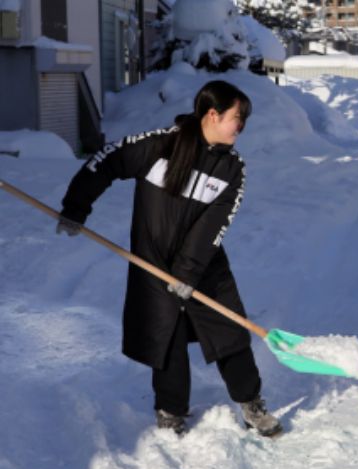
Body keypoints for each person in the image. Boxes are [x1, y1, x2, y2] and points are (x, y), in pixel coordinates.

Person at [57, 80, 281, 437]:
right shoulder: (162, 145)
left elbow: (213, 225)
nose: (241, 127)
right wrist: (76, 207)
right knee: (166, 336)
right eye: (238, 118)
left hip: (204, 262)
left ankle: (251, 404)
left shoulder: (232, 169)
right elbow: (106, 162)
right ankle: (170, 410)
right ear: (213, 114)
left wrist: (188, 272)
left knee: (229, 330)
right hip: (154, 262)